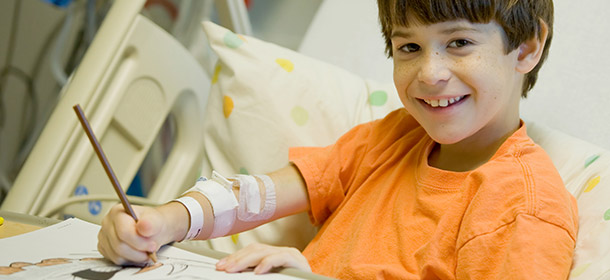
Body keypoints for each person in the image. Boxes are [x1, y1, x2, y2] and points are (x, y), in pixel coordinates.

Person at [97, 0, 578, 278]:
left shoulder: (522, 209)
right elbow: (257, 195)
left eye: (459, 43)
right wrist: (165, 222)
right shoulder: (392, 138)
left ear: (527, 46)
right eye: (408, 47)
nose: (429, 74)